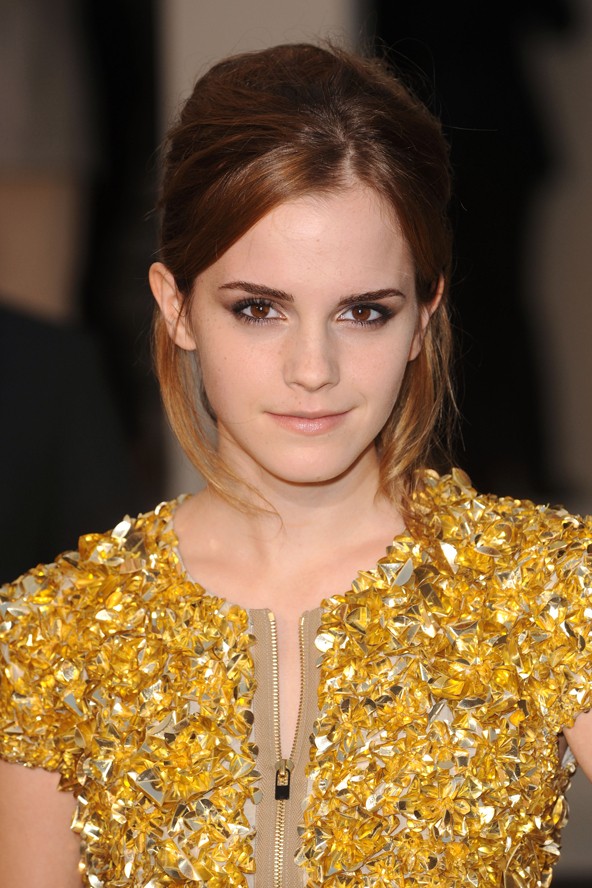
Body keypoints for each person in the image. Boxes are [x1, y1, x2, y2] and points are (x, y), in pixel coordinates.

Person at [0, 42, 591, 888]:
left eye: (363, 312)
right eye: (259, 309)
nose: (313, 368)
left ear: (423, 319)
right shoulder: (52, 634)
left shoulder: (546, 591)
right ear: (177, 307)